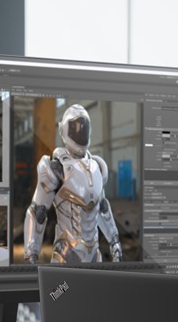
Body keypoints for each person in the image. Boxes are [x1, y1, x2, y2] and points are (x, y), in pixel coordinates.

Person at [22, 104, 123, 264]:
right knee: (63, 289)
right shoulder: (56, 168)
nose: (79, 131)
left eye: (83, 127)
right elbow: (37, 213)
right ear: (64, 130)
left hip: (94, 253)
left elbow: (102, 208)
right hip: (66, 252)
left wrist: (114, 240)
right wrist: (31, 252)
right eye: (75, 127)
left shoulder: (97, 166)